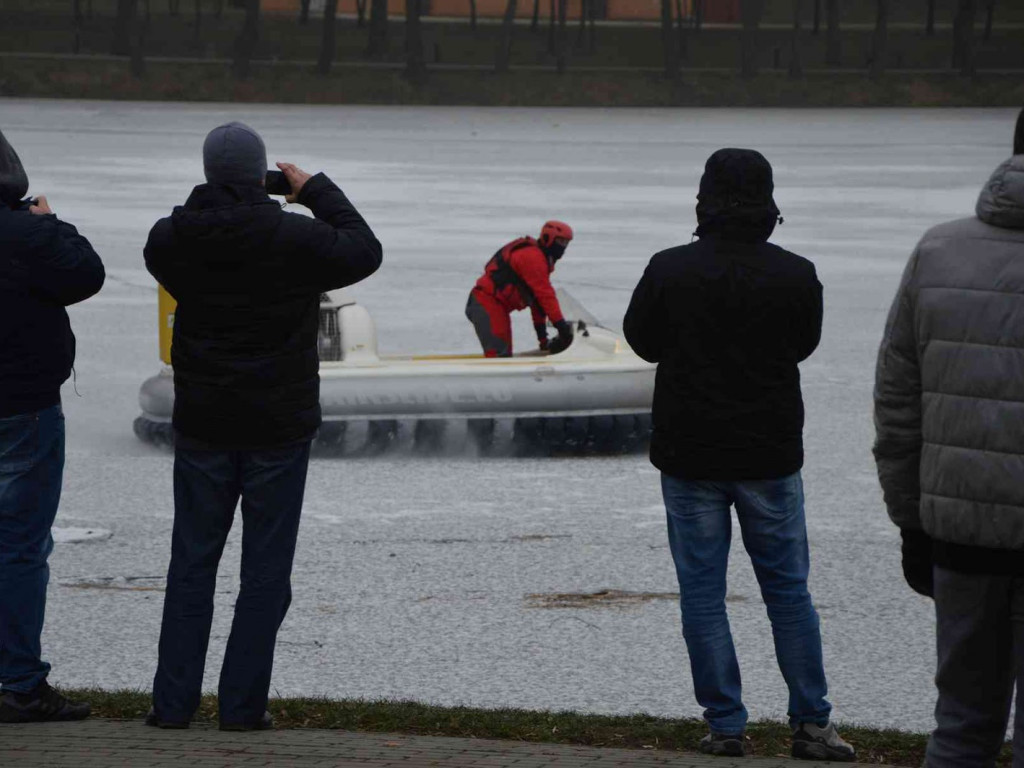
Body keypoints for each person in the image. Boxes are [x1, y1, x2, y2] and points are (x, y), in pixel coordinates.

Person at [143, 122, 382, 731]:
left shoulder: (169, 240)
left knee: (192, 566)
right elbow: (364, 249)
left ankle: (172, 706)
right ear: (261, 175)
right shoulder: (294, 238)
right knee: (266, 570)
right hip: (278, 425)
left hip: (202, 424)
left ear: (206, 172)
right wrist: (314, 190)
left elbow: (183, 252)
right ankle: (242, 707)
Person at [623, 149, 854, 762]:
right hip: (770, 453)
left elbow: (641, 342)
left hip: (689, 451)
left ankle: (725, 725)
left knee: (702, 593)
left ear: (704, 198)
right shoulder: (797, 274)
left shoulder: (669, 270)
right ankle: (811, 723)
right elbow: (802, 345)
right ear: (769, 201)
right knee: (789, 593)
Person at [873, 115, 1024, 768]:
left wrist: (911, 521)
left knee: (961, 725)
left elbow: (898, 406)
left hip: (960, 537)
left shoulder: (937, 253)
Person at [0, 129, 105, 723]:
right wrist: (51, 222)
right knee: (19, 547)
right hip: (24, 409)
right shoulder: (28, 235)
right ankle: (19, 682)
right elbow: (86, 274)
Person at [466, 221, 574, 357]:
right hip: (486, 303)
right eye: (560, 241)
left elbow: (538, 304)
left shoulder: (542, 260)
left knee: (503, 353)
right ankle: (494, 376)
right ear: (548, 238)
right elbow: (545, 296)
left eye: (566, 243)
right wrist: (561, 326)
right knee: (499, 355)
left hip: (493, 305)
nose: (563, 247)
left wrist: (543, 342)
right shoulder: (532, 257)